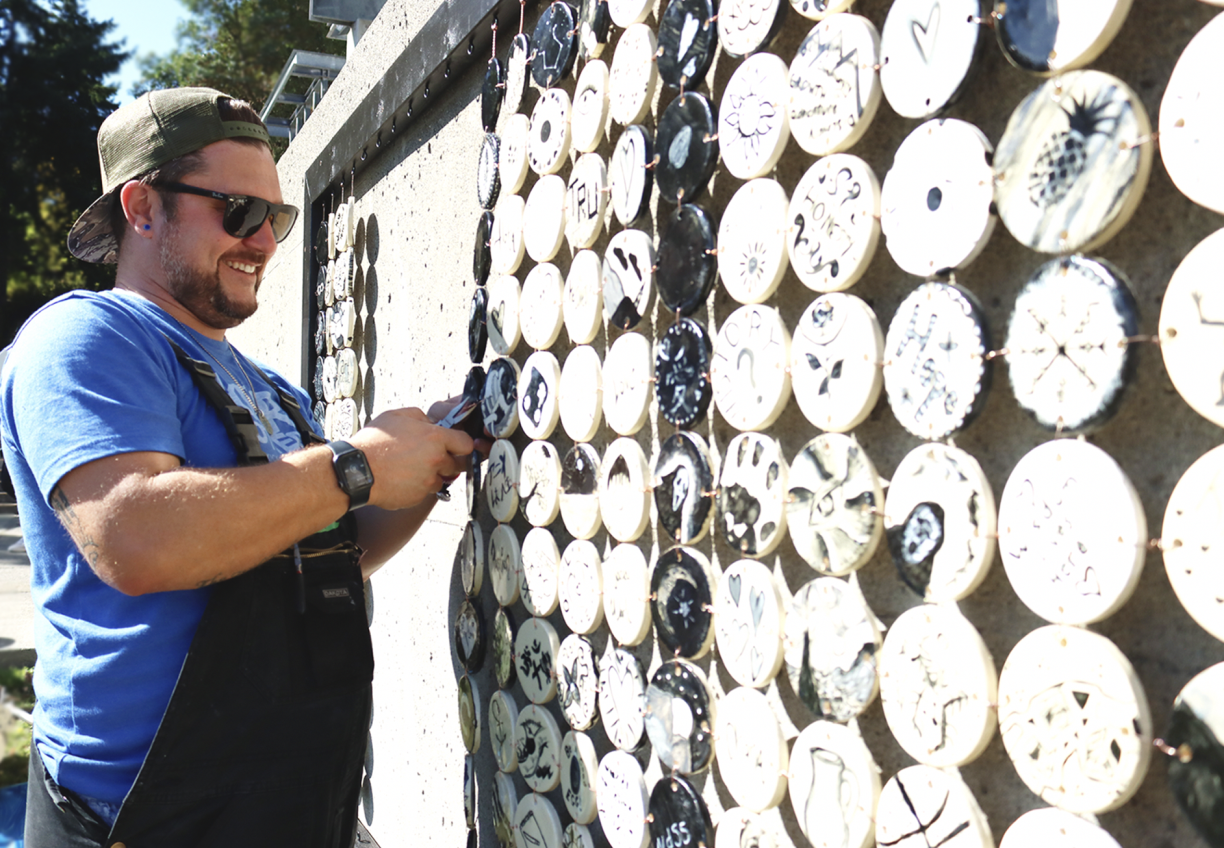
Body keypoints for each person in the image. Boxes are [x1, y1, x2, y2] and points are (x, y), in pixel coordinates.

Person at [0, 87, 477, 847]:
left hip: (289, 805)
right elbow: (136, 537)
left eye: (276, 219)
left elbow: (330, 551)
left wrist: (432, 459)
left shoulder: (274, 392)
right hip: (141, 820)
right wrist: (356, 465)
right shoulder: (86, 337)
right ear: (142, 207)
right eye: (237, 210)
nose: (263, 241)